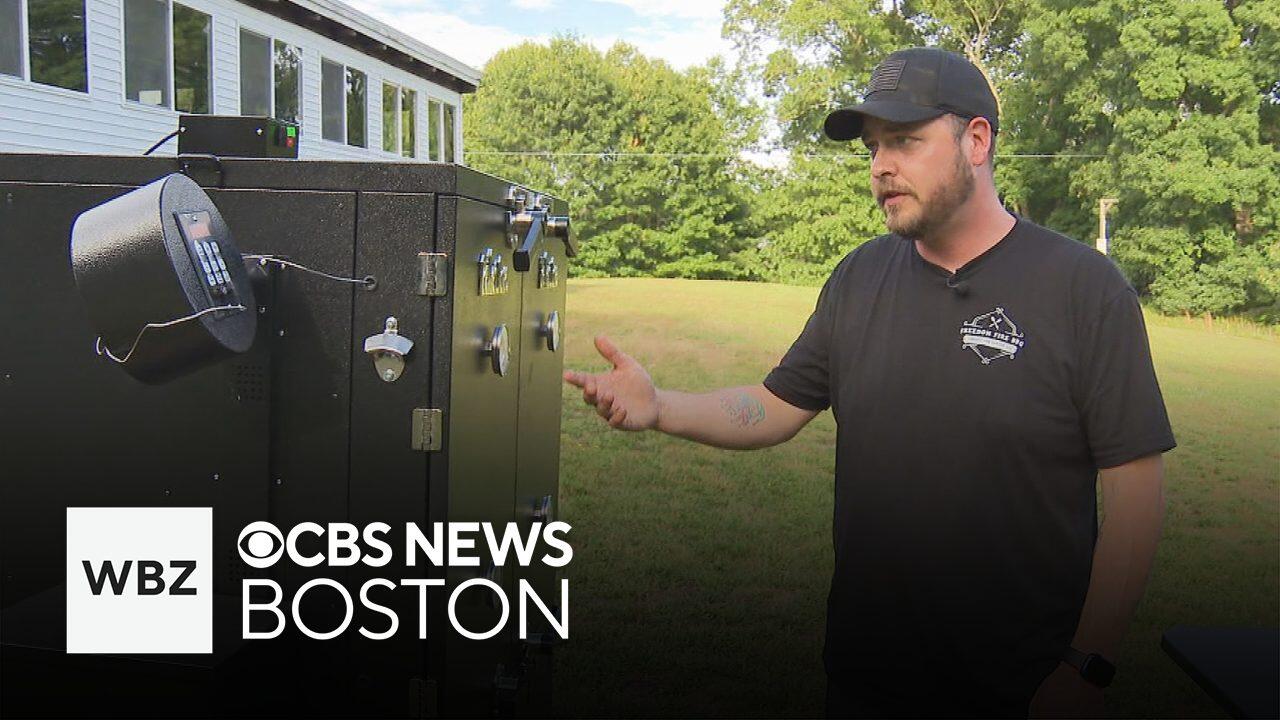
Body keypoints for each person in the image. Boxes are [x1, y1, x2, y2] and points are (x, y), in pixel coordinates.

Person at [562, 47, 1174, 719]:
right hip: (866, 680)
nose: (881, 165)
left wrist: (1085, 666)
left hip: (1023, 690)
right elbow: (774, 405)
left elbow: (1135, 496)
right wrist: (661, 407)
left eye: (905, 141)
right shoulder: (859, 277)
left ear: (976, 141)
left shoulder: (1084, 289)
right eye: (873, 147)